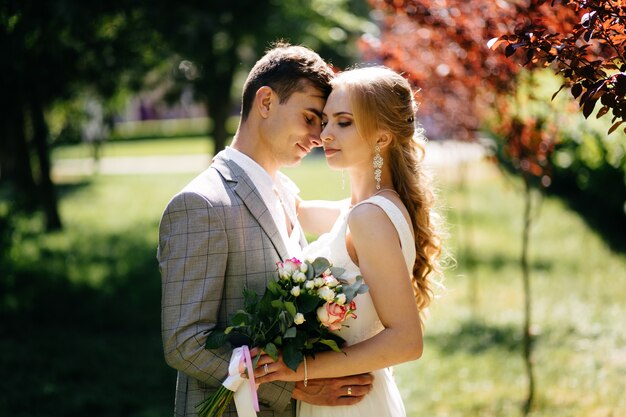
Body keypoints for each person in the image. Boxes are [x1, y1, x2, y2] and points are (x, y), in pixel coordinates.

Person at [157, 43, 374, 417]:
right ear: (266, 101)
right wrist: (297, 386)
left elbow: (360, 217)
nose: (319, 136)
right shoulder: (202, 205)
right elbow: (185, 343)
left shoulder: (285, 194)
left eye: (322, 124)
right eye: (309, 118)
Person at [253, 66, 444, 417]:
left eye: (343, 122)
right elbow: (297, 209)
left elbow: (406, 340)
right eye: (324, 121)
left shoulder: (369, 218)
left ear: (382, 138)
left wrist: (299, 369)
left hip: (350, 402)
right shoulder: (360, 209)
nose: (325, 134)